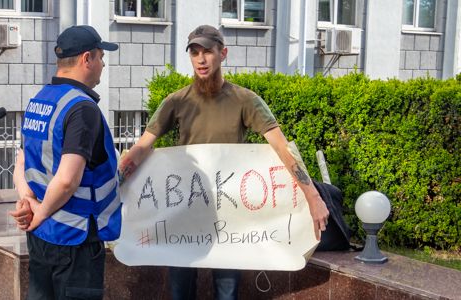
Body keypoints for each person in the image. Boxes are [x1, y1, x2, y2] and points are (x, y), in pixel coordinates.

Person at [117, 25, 330, 300]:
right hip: (183, 214)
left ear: (223, 53)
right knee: (180, 291)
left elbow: (282, 148)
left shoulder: (245, 100)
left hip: (230, 218)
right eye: (194, 53)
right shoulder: (176, 101)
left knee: (227, 292)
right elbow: (141, 149)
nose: (201, 59)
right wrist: (114, 186)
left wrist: (312, 195)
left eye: (207, 51)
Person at [8, 25, 121, 300]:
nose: (103, 65)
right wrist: (42, 212)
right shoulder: (82, 108)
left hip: (41, 237)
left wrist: (28, 203)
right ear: (87, 59)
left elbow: (21, 162)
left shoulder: (40, 100)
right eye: (101, 57)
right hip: (75, 238)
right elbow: (68, 179)